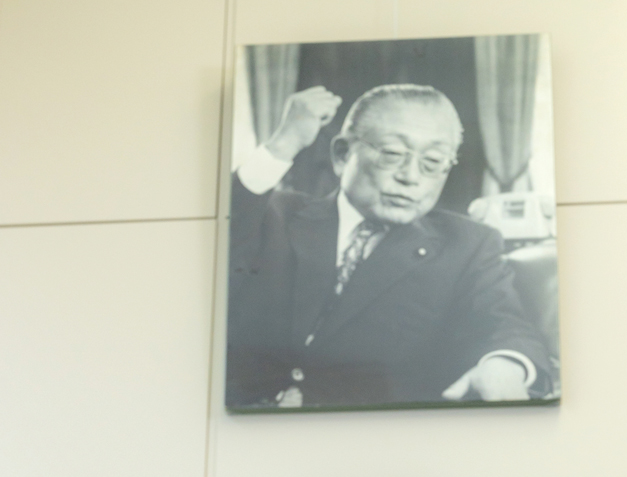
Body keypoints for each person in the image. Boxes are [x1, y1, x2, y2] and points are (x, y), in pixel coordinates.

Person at [226, 84, 554, 410]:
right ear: (342, 155)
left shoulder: (467, 245)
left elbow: (503, 324)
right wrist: (283, 145)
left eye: (433, 161)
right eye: (393, 154)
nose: (410, 177)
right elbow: (215, 235)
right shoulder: (274, 216)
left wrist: (504, 365)